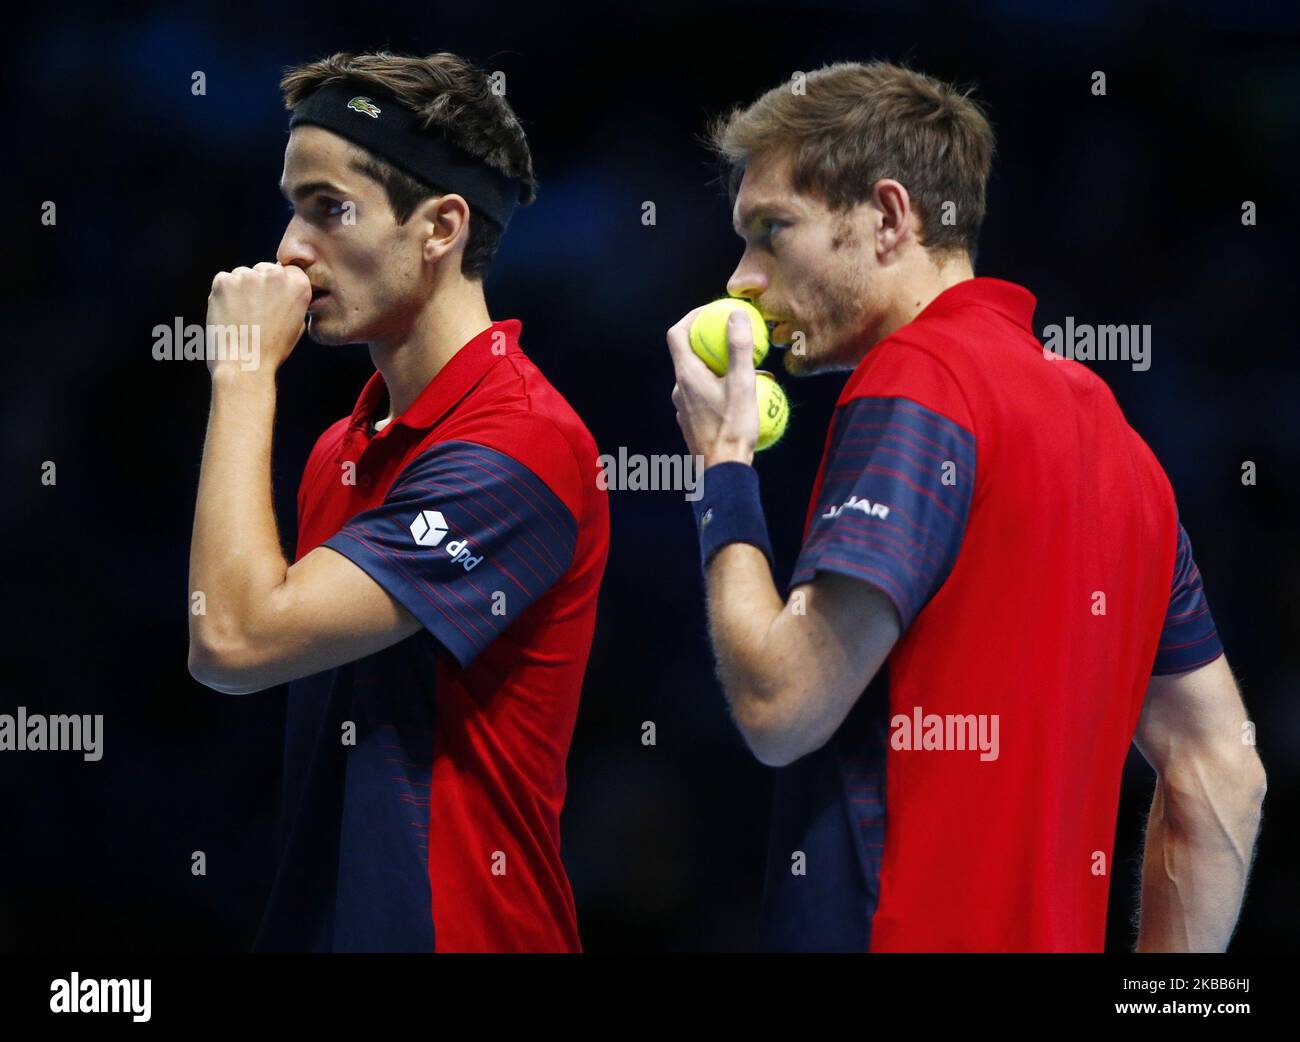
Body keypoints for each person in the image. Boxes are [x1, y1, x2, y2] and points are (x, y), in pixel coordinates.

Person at [666, 60, 1266, 952]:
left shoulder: (918, 381)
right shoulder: (1123, 448)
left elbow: (782, 705)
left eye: (772, 231)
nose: (742, 281)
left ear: (889, 218)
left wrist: (722, 468)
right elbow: (1224, 770)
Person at [188, 51, 609, 952]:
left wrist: (240, 374)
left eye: (329, 209)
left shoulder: (522, 446)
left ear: (441, 227)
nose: (291, 250)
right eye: (292, 206)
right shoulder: (338, 451)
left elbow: (233, 637)